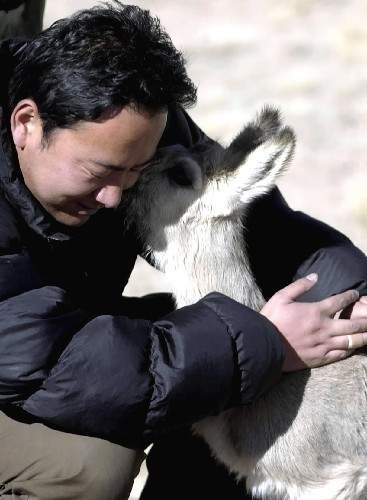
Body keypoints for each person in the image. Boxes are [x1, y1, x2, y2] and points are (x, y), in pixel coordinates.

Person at [0, 3, 366, 499]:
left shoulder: (130, 118)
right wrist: (268, 343)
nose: (117, 196)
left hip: (63, 331)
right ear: (26, 124)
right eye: (99, 173)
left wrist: (355, 298)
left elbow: (273, 236)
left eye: (137, 170)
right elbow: (58, 368)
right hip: (26, 361)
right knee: (91, 461)